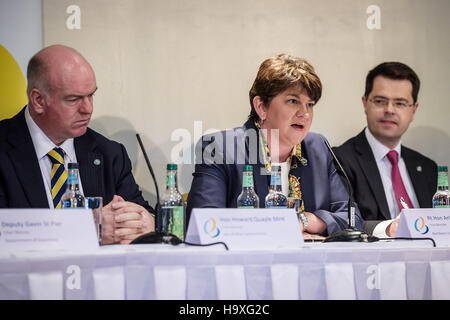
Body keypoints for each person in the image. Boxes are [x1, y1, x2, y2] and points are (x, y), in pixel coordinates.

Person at [187, 54, 363, 239]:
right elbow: (204, 223)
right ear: (261, 107)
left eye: (310, 104)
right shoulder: (221, 148)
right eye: (293, 101)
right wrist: (280, 229)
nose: (304, 113)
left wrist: (303, 220)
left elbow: (352, 219)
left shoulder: (318, 148)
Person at [0, 45, 155, 244]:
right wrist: (87, 228)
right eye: (73, 99)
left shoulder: (109, 153)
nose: (88, 109)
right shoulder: (4, 148)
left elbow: (142, 214)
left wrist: (145, 222)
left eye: (91, 95)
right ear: (38, 100)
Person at [333, 62, 437, 237]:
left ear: (414, 110)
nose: (389, 110)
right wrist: (388, 229)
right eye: (380, 101)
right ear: (365, 103)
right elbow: (342, 221)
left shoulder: (427, 167)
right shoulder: (341, 160)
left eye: (400, 103)